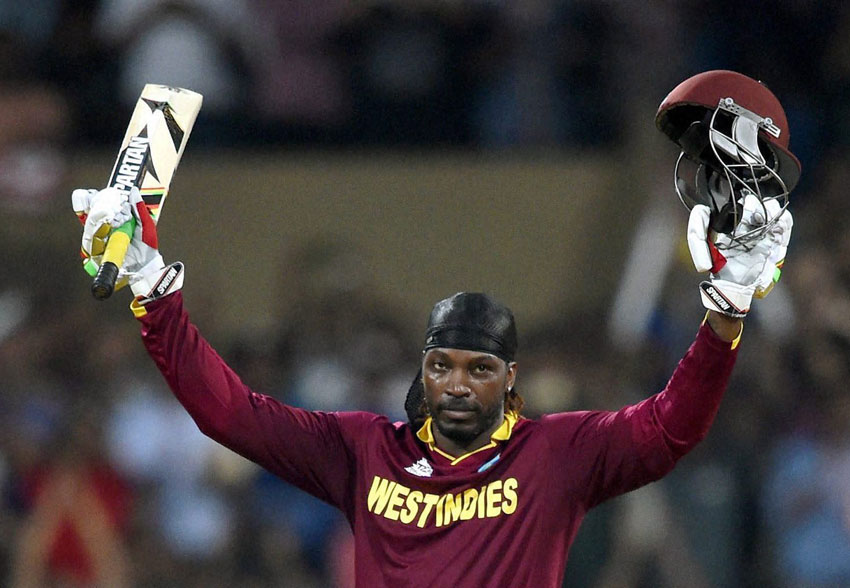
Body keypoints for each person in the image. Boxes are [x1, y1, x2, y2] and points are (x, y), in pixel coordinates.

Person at [71, 70, 796, 587]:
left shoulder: (555, 455)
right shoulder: (362, 450)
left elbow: (671, 429)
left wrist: (726, 313)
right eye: (442, 364)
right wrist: (151, 289)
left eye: (479, 368)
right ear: (421, 370)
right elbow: (228, 412)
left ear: (510, 379)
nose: (456, 383)